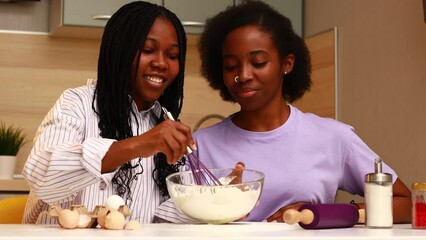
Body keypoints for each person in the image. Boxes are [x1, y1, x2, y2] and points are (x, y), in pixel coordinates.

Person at [156, 0, 412, 223]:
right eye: (231, 66)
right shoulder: (200, 146)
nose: (243, 75)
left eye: (258, 63)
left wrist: (325, 212)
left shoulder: (334, 137)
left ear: (286, 64)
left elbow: (404, 201)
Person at [21, 1, 195, 224]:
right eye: (147, 50)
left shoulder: (163, 122)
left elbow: (160, 216)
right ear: (119, 51)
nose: (161, 63)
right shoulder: (77, 103)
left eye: (172, 56)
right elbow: (42, 176)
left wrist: (217, 205)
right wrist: (136, 145)